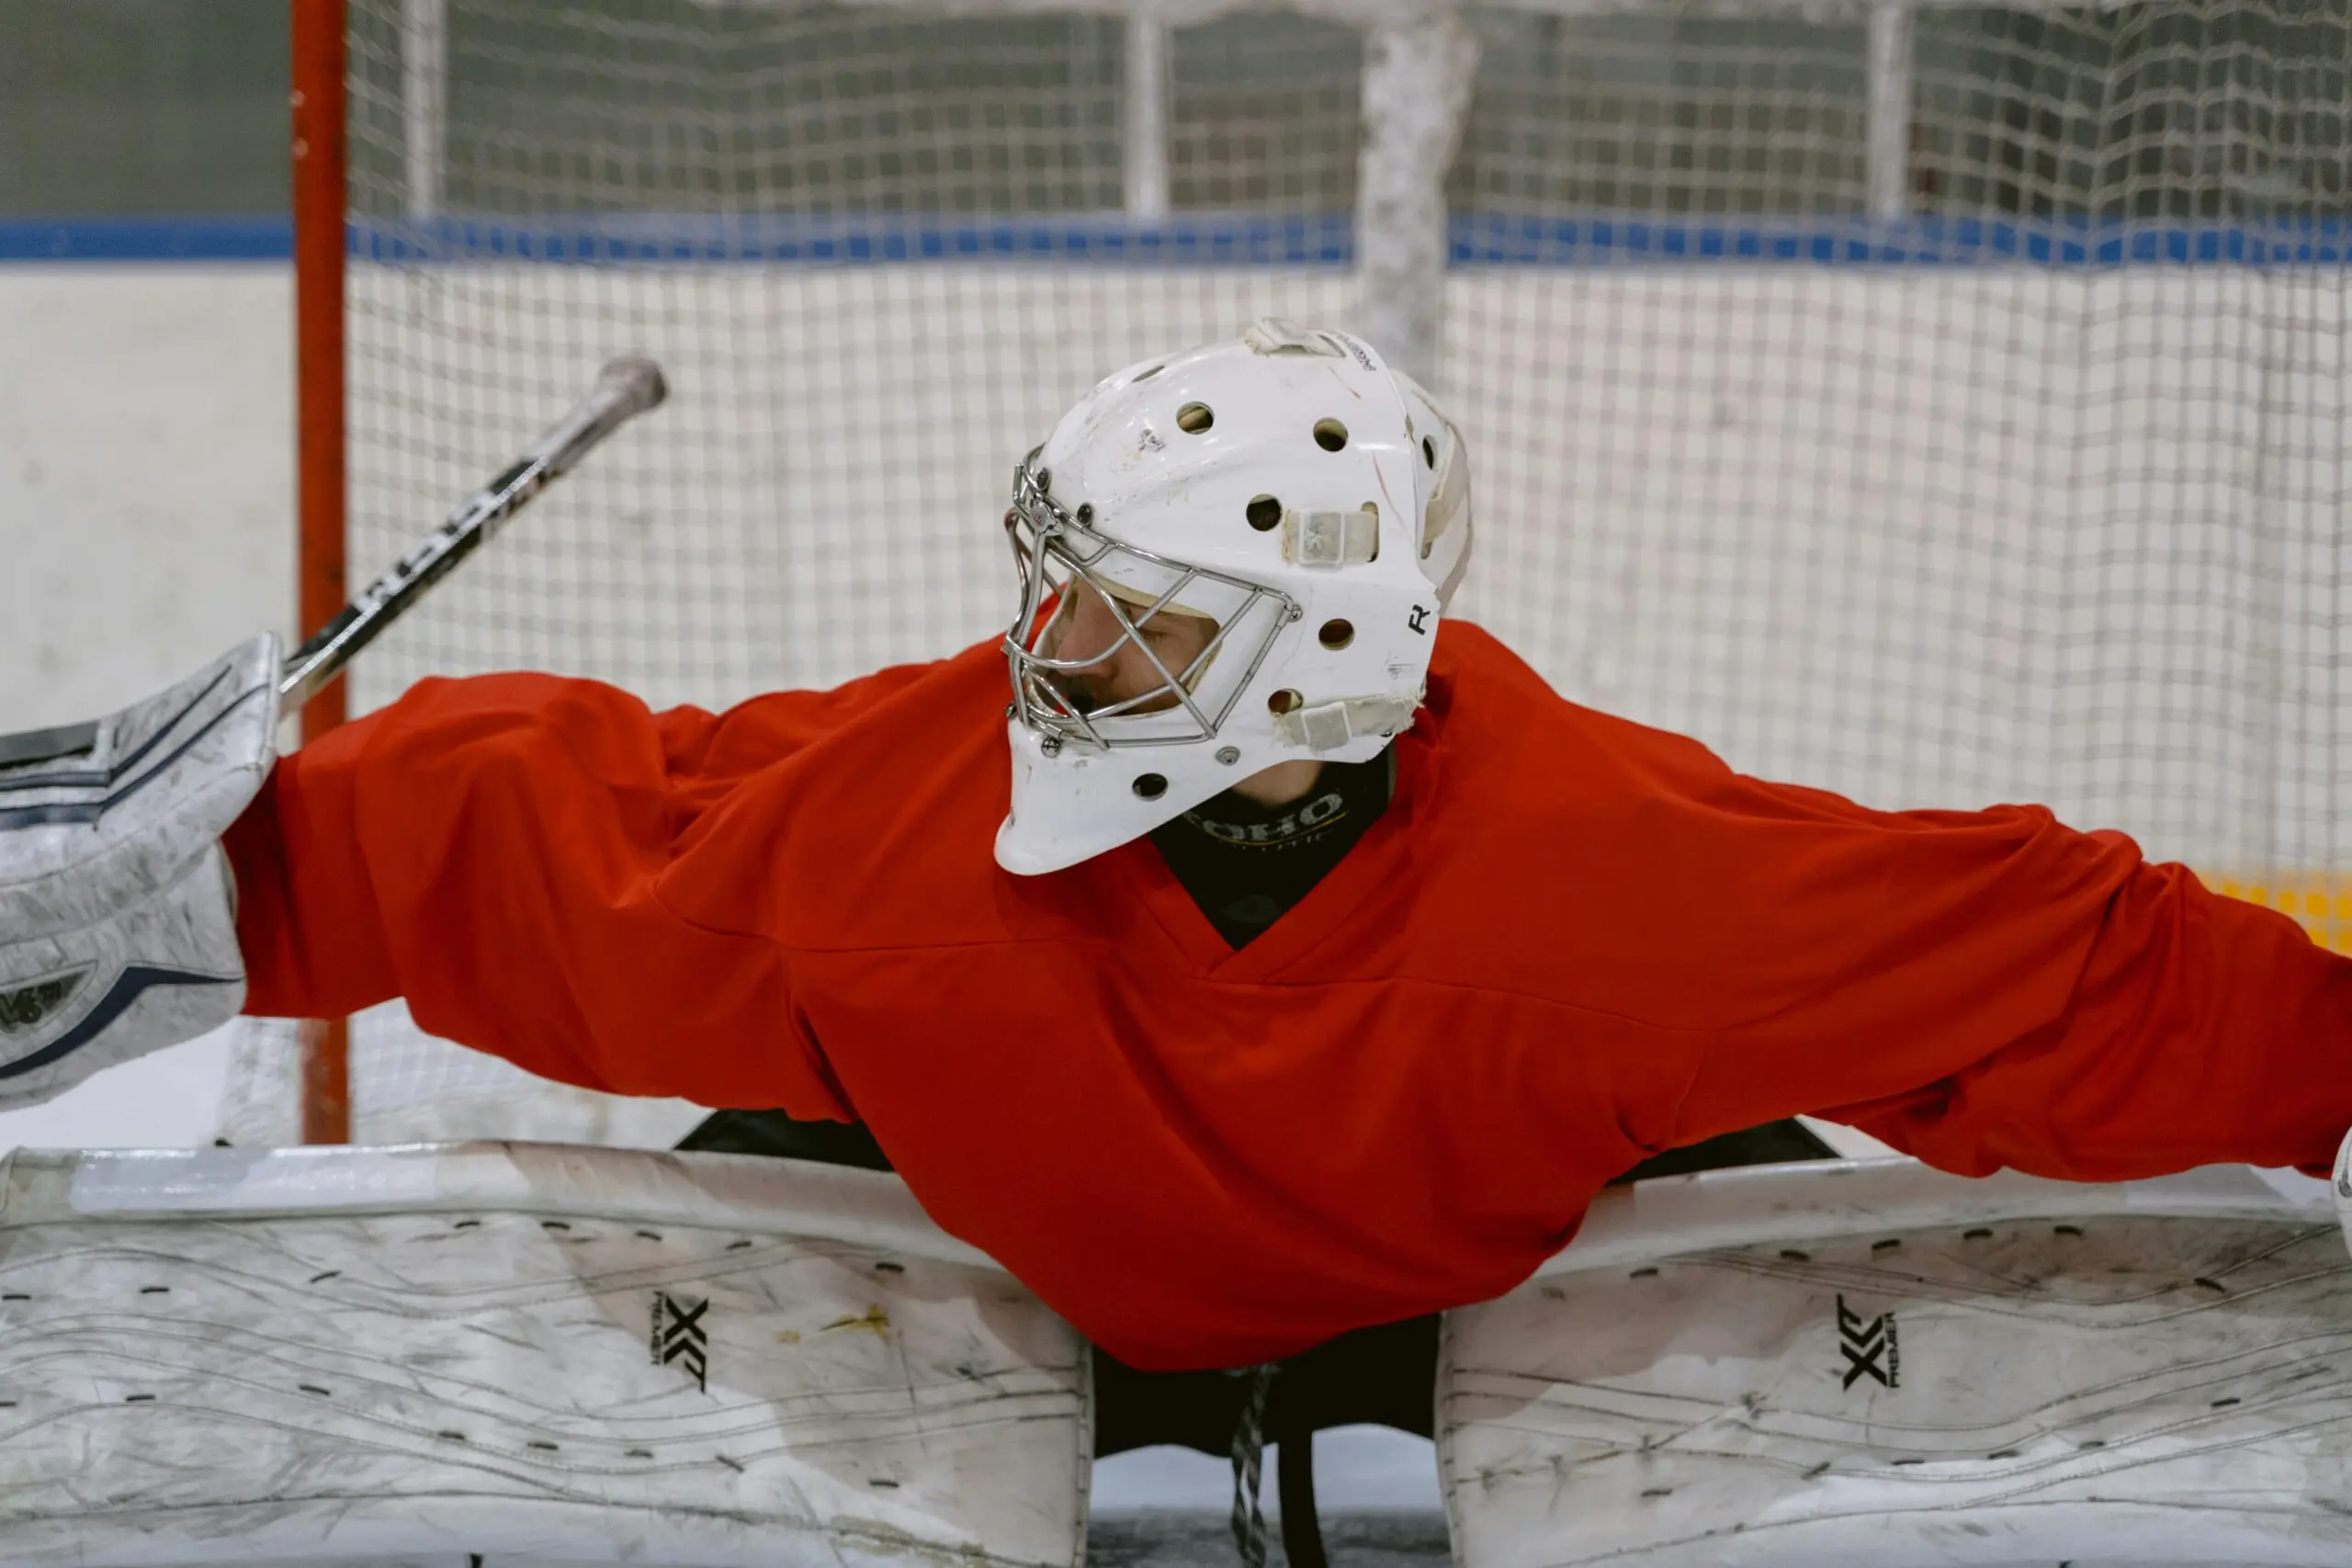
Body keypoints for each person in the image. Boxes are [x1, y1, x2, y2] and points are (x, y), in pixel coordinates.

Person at [6, 319, 2349, 1380]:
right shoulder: (894, 840)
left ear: (1312, 659)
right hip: (1208, 1204)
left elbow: (2068, 977)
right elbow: (553, 832)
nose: (1040, 645)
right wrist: (204, 867)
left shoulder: (1610, 904)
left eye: (1116, 621)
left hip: (1475, 1245)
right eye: (1053, 583)